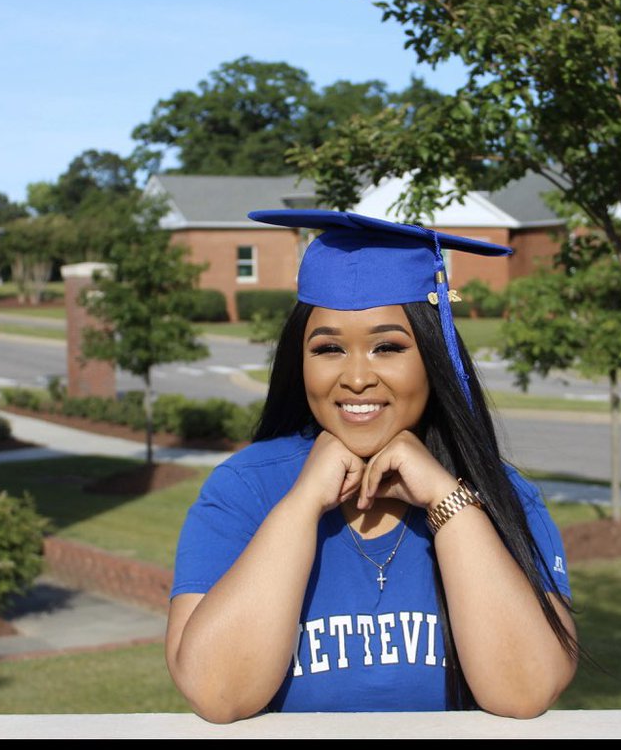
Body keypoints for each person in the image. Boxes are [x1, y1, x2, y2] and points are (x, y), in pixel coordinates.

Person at [166, 209, 579, 723]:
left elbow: (525, 690)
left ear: (433, 355)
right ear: (301, 360)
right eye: (328, 348)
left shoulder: (503, 494)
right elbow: (217, 693)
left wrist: (446, 499)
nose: (357, 377)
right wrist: (301, 505)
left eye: (388, 347)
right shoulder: (243, 490)